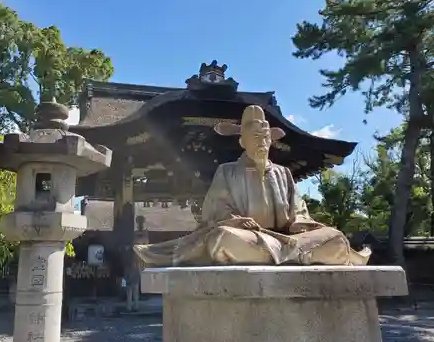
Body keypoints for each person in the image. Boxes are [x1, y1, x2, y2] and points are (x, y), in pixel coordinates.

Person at [133, 105, 371, 267]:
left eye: (266, 138)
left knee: (336, 236)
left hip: (284, 239)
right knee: (223, 238)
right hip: (248, 238)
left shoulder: (283, 173)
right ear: (242, 141)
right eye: (255, 138)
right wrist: (233, 220)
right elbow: (216, 212)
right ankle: (300, 255)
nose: (262, 143)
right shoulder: (227, 171)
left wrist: (299, 224)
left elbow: (298, 212)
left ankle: (289, 253)